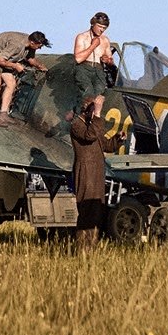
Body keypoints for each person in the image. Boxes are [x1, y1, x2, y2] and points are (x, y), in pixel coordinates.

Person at [70, 93, 124, 250]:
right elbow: (90, 136)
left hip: (97, 171)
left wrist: (118, 139)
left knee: (96, 210)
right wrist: (98, 114)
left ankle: (91, 247)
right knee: (86, 210)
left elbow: (106, 146)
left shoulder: (93, 124)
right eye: (94, 109)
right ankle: (82, 249)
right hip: (86, 171)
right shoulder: (76, 125)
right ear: (87, 109)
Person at [0, 30, 50, 126]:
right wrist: (15, 66)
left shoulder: (30, 44)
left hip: (7, 59)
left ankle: (3, 114)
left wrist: (41, 66)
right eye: (39, 46)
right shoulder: (17, 45)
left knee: (11, 84)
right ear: (32, 42)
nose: (40, 48)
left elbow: (30, 59)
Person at [72, 12, 113, 112]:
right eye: (99, 26)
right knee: (88, 94)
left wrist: (107, 60)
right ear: (93, 23)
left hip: (98, 70)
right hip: (84, 68)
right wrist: (93, 46)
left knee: (99, 96)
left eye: (104, 28)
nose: (102, 30)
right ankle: (77, 116)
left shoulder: (105, 40)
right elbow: (78, 58)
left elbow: (111, 61)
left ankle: (92, 118)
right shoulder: (82, 37)